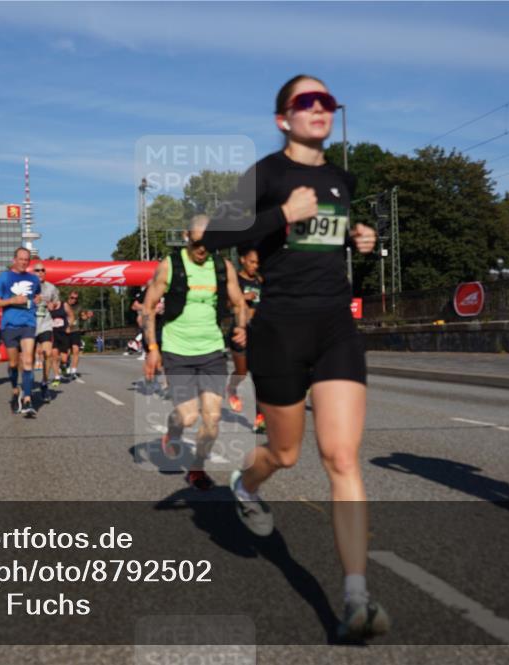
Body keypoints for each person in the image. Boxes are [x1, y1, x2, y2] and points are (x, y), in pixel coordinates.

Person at [200, 75, 387, 640]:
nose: (319, 109)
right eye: (307, 102)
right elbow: (214, 238)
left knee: (342, 457)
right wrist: (282, 214)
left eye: (327, 101)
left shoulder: (342, 178)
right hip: (279, 329)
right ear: (283, 118)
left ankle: (355, 596)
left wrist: (364, 248)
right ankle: (246, 486)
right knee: (283, 452)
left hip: (335, 327)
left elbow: (334, 255)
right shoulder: (267, 174)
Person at [143, 214, 248, 491]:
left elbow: (239, 303)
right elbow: (149, 306)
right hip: (177, 351)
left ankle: (197, 468)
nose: (203, 250)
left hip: (212, 351)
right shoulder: (170, 265)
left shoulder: (222, 266)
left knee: (212, 419)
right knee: (188, 417)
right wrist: (153, 348)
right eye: (199, 243)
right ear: (187, 237)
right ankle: (172, 431)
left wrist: (241, 327)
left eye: (210, 244)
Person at [0, 247, 41, 417]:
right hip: (9, 325)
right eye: (21, 259)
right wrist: (12, 300)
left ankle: (27, 399)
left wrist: (36, 301)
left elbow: (37, 297)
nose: (24, 262)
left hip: (28, 323)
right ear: (14, 260)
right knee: (12, 364)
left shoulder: (34, 279)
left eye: (26, 260)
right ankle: (14, 390)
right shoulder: (5, 277)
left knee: (27, 360)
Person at [225, 246, 264, 433]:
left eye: (257, 263)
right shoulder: (236, 281)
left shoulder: (260, 281)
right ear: (242, 260)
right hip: (239, 332)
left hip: (258, 333)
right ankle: (232, 389)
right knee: (242, 371)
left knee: (260, 376)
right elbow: (225, 304)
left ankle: (260, 418)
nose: (254, 266)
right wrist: (242, 297)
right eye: (251, 262)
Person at [32, 261, 62, 399]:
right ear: (33, 272)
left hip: (45, 324)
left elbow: (57, 302)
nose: (40, 273)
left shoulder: (51, 287)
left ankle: (44, 383)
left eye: (42, 270)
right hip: (30, 324)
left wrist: (53, 305)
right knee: (27, 358)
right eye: (37, 270)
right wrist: (31, 302)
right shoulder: (27, 287)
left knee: (48, 354)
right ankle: (27, 384)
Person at [64, 291, 94, 378]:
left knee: (76, 349)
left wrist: (88, 316)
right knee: (66, 352)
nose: (74, 300)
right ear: (68, 296)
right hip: (65, 330)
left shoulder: (79, 307)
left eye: (76, 298)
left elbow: (83, 317)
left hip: (75, 330)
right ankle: (66, 365)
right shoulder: (64, 305)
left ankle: (73, 371)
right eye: (72, 297)